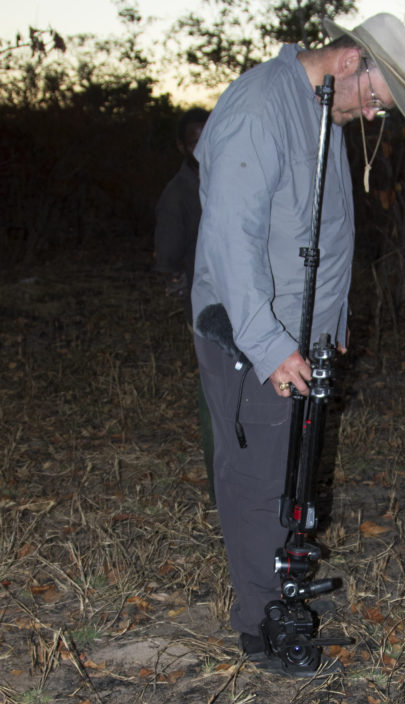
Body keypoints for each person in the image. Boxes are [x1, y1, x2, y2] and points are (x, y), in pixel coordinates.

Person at [191, 14, 405, 670]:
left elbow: (317, 232)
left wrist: (330, 328)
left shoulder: (321, 112)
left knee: (293, 473)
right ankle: (260, 626)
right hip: (249, 336)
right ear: (350, 61)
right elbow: (230, 240)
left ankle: (282, 591)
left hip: (299, 338)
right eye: (378, 97)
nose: (376, 115)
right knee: (258, 478)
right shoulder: (262, 105)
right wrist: (268, 344)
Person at [154, 107, 215, 502]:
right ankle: (218, 481)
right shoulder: (178, 193)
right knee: (213, 390)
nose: (201, 148)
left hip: (238, 301)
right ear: (181, 146)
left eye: (206, 138)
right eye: (193, 142)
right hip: (204, 305)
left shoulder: (225, 178)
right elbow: (167, 256)